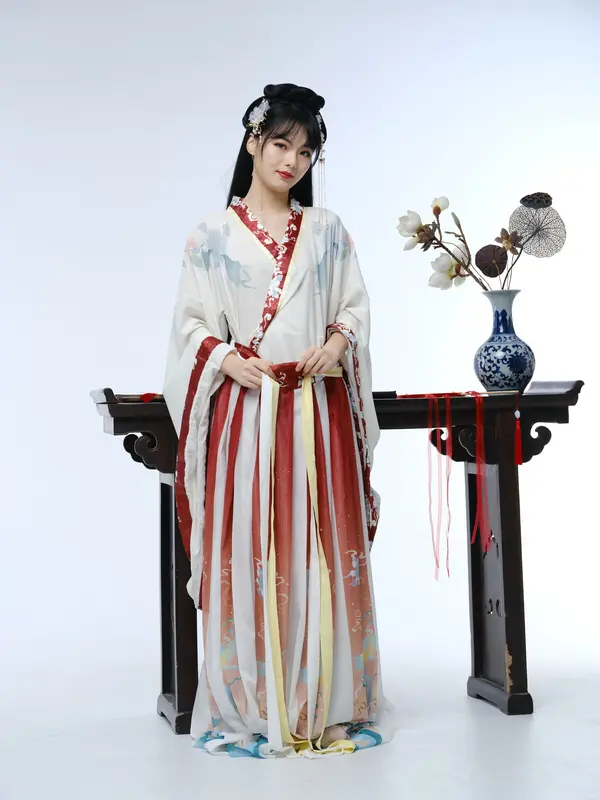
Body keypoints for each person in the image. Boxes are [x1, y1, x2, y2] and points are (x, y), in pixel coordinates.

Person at [163, 83, 389, 759]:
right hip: (250, 414)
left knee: (317, 546)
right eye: (280, 144)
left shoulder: (327, 230)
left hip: (317, 412)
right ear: (252, 142)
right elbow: (190, 325)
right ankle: (257, 700)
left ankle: (328, 698)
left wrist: (339, 344)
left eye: (305, 150)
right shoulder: (211, 236)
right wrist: (226, 358)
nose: (291, 160)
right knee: (253, 548)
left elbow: (353, 306)